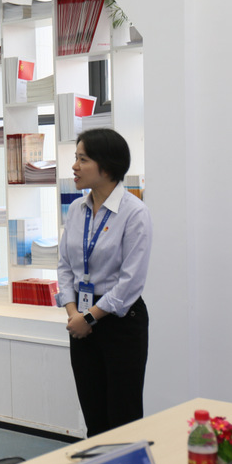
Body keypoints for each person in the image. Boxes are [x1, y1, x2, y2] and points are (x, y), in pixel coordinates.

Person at [56, 128, 152, 438]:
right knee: (94, 418)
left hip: (119, 322)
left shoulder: (135, 213)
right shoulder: (76, 209)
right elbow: (65, 266)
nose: (74, 166)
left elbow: (130, 282)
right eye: (76, 158)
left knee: (123, 419)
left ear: (107, 167)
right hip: (80, 320)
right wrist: (74, 313)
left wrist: (88, 318)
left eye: (83, 159)